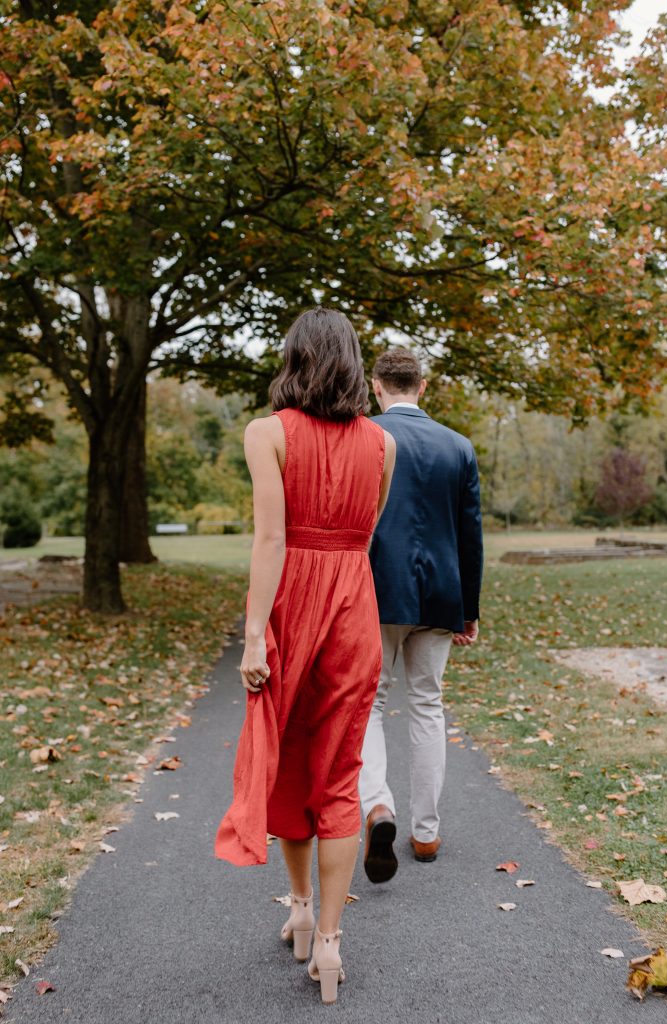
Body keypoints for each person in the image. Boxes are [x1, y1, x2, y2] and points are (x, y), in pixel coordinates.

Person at [214, 307, 396, 1005]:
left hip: (293, 606)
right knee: (339, 771)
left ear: (293, 358)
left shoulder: (267, 433)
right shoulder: (382, 444)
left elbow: (270, 540)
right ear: (353, 363)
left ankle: (296, 905)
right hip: (355, 608)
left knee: (288, 758)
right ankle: (328, 943)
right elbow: (364, 533)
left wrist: (255, 632)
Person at [360, 348, 483, 884]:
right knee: (428, 705)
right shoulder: (459, 447)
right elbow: (469, 534)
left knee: (370, 702)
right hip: (440, 593)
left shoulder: (363, 438)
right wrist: (468, 609)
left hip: (376, 591)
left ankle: (378, 806)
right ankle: (427, 832)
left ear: (375, 386)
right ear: (423, 387)